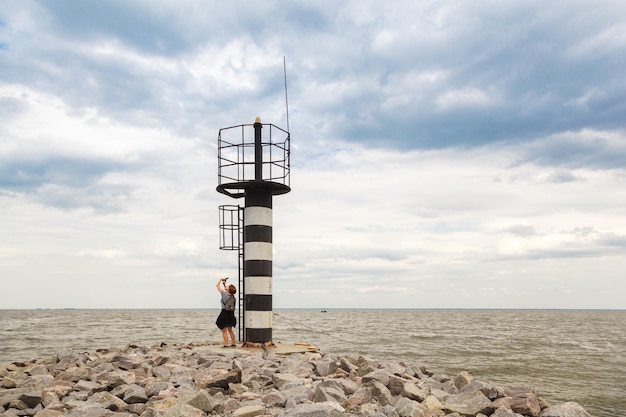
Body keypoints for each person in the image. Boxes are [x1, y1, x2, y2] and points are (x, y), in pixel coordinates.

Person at [215, 278, 237, 347]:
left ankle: (226, 344)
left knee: (224, 330)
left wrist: (220, 279)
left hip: (224, 313)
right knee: (230, 330)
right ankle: (233, 343)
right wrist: (224, 283)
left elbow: (217, 286)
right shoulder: (232, 296)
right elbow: (227, 289)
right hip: (231, 314)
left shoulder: (224, 294)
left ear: (228, 289)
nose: (226, 286)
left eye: (228, 286)